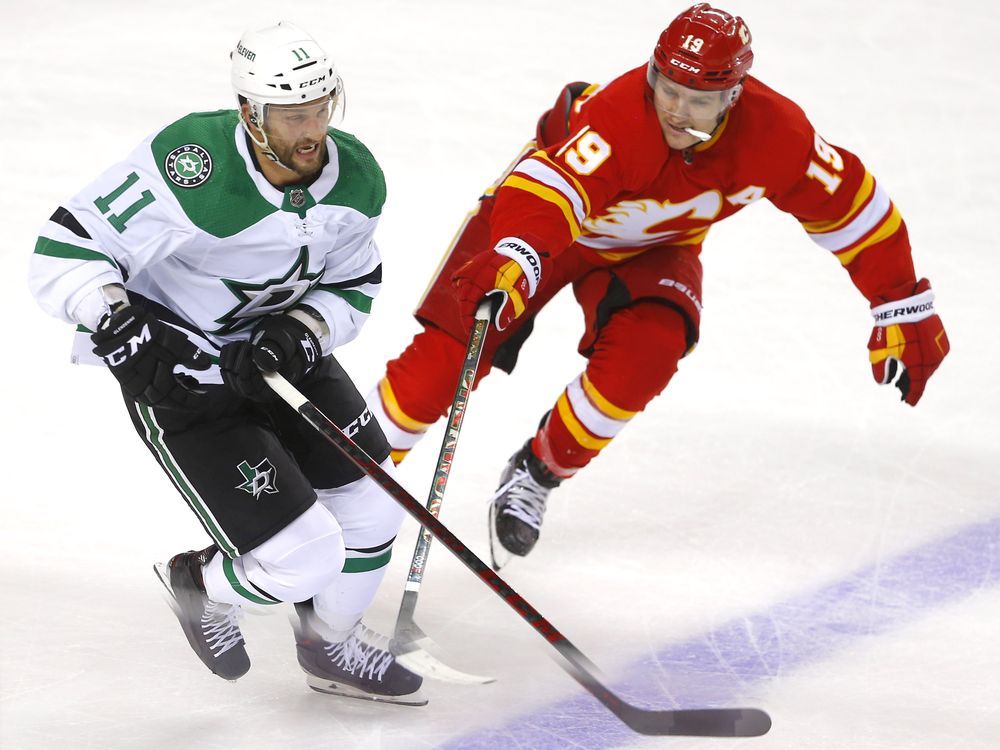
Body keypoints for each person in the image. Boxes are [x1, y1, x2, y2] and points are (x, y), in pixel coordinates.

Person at [367, 4, 950, 570]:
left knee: (644, 360)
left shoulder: (776, 135)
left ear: (734, 95)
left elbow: (853, 206)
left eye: (698, 100)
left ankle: (538, 470)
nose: (676, 110)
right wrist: (517, 251)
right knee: (438, 371)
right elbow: (551, 189)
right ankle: (340, 477)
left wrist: (900, 299)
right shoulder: (619, 118)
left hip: (654, 249)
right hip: (539, 236)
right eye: (667, 88)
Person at [28, 21, 425, 704]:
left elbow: (353, 284)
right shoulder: (195, 166)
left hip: (281, 360)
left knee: (375, 510)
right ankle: (203, 585)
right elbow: (64, 252)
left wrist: (302, 332)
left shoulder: (355, 177)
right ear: (250, 112)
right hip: (188, 380)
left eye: (320, 109)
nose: (311, 130)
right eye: (292, 115)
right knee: (305, 560)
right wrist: (119, 323)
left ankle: (330, 646)